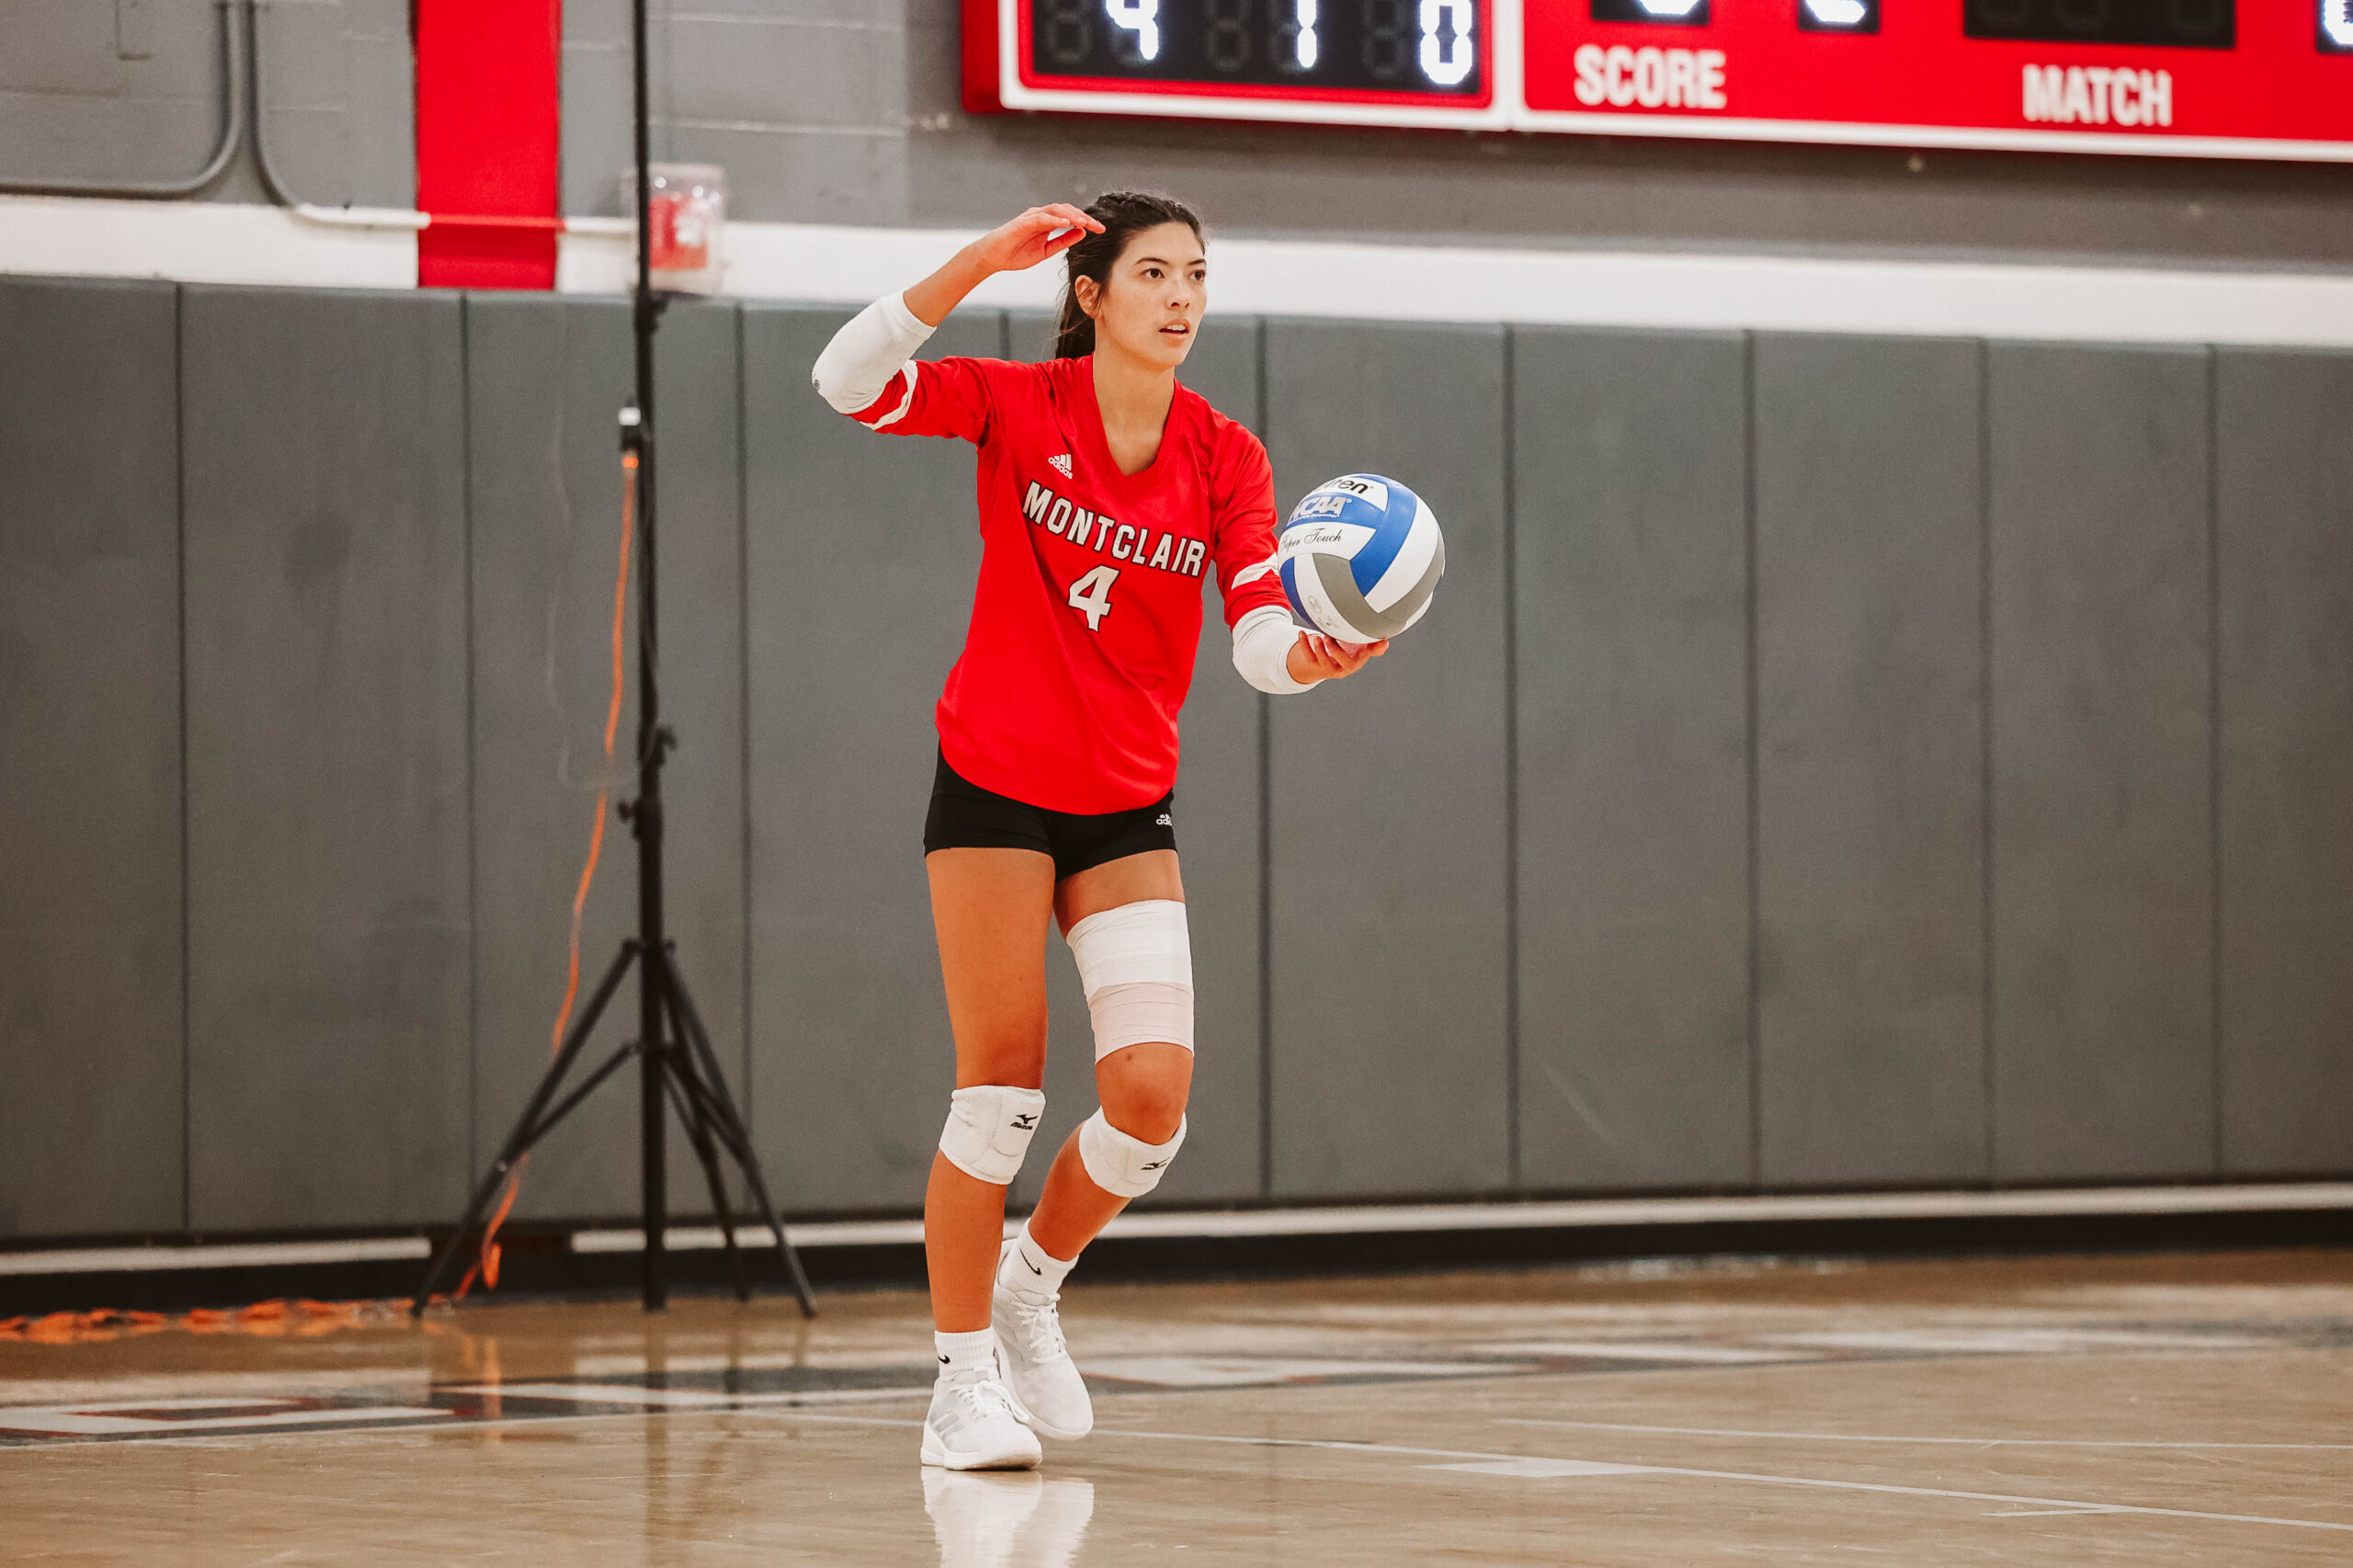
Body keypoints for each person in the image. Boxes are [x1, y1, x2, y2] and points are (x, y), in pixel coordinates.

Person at [811, 191, 1385, 1471]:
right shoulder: (1016, 405)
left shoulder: (1227, 456)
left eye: (1197, 275)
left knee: (1150, 1103)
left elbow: (1251, 639)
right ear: (1092, 291)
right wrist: (980, 260)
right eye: (1155, 274)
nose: (1182, 298)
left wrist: (1313, 655)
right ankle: (961, 1383)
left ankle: (1030, 1285)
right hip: (996, 790)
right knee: (1000, 1096)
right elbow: (842, 381)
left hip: (1124, 800)